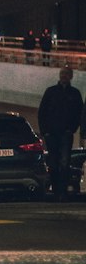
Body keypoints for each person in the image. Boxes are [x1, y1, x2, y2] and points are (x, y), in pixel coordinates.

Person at [38, 65, 83, 201]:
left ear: (71, 76)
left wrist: (72, 129)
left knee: (64, 163)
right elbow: (42, 112)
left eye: (66, 74)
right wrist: (45, 131)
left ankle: (62, 192)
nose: (63, 76)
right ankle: (56, 191)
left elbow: (79, 114)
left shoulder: (74, 93)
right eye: (62, 73)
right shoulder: (51, 92)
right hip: (51, 134)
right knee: (53, 163)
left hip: (66, 133)